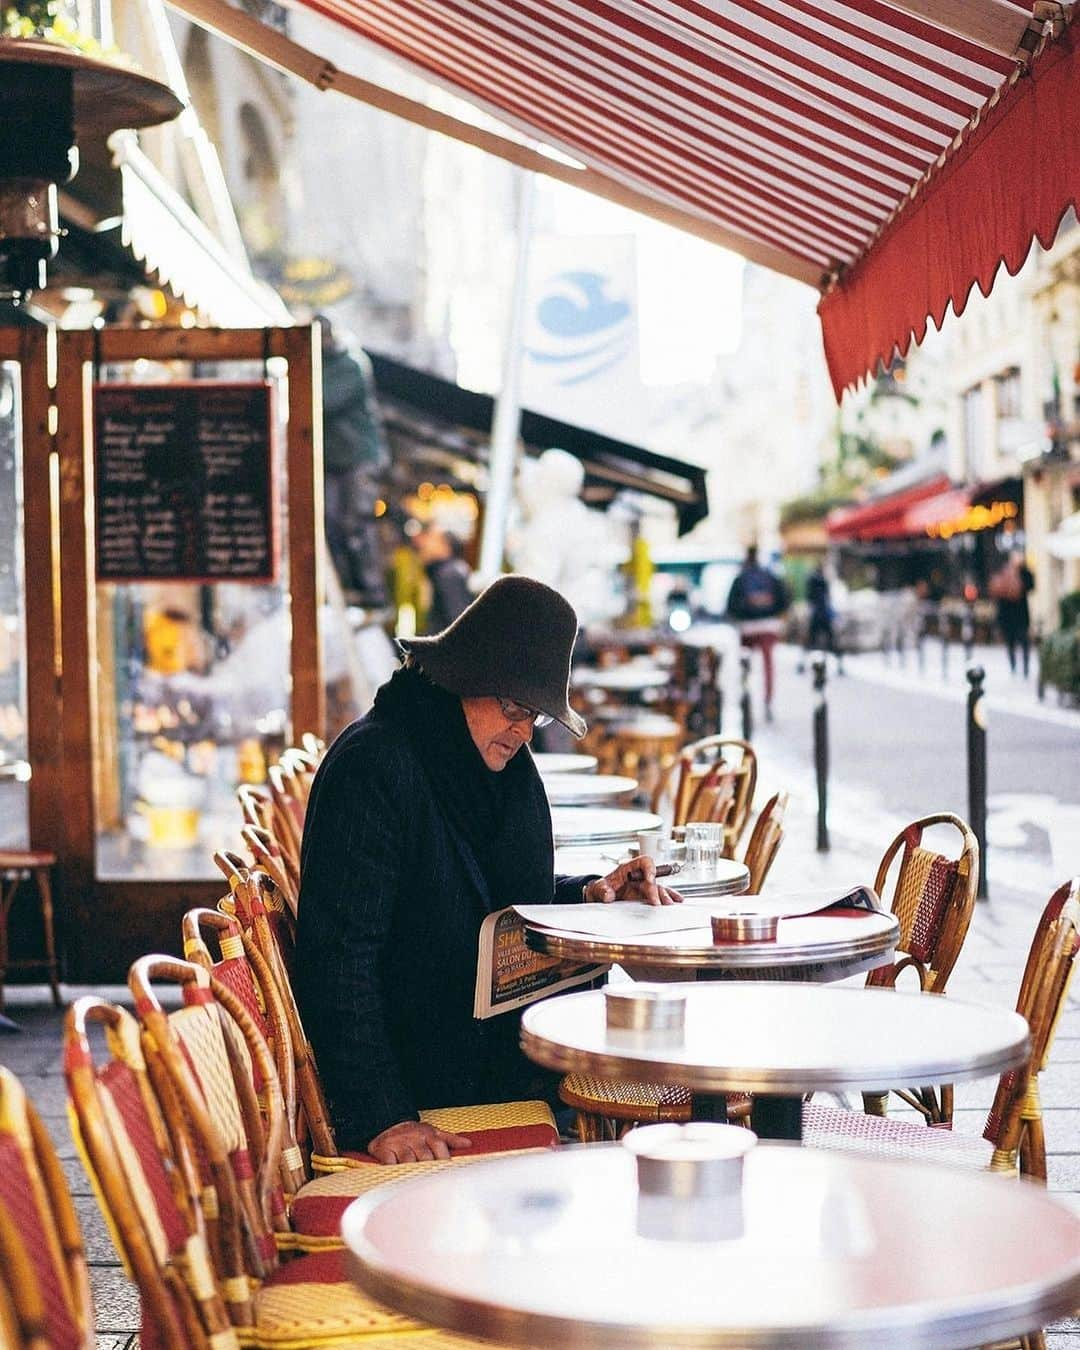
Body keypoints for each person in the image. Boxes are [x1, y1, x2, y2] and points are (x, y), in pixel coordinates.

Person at [294, 575, 681, 1164]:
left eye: (536, 717)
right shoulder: (374, 766)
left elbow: (475, 894)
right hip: (425, 1088)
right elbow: (338, 957)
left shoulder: (476, 763)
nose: (524, 730)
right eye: (514, 708)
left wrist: (591, 895)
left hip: (497, 1058)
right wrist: (383, 1115)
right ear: (461, 678)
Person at [317, 315, 389, 607]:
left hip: (359, 457)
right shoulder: (320, 363)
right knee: (331, 522)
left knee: (355, 522)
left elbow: (323, 400)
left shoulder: (351, 364)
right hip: (333, 459)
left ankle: (372, 592)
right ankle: (346, 588)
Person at [726, 545, 790, 721]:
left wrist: (742, 617)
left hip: (747, 628)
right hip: (768, 626)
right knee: (768, 666)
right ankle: (768, 699)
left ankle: (745, 696)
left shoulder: (741, 578)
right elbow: (784, 600)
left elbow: (730, 606)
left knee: (745, 664)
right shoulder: (769, 576)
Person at [413, 521, 472, 633]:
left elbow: (456, 622)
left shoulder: (448, 576)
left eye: (432, 538)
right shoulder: (442, 572)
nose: (424, 543)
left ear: (446, 547)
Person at [989, 551, 1035, 676]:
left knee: (1024, 641)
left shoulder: (1024, 573)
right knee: (1011, 642)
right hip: (1008, 615)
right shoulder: (1003, 572)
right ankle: (1013, 666)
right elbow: (996, 593)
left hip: (1021, 615)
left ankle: (1025, 668)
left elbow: (1031, 585)